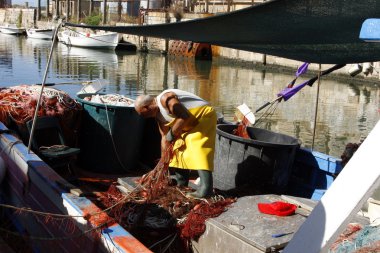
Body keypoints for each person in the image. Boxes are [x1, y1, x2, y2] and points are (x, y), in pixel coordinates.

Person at [134, 89, 217, 198]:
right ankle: (182, 183)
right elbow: (164, 137)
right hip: (188, 125)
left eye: (142, 114)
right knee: (177, 150)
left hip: (203, 117)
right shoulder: (158, 116)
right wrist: (163, 161)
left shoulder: (166, 99)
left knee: (197, 148)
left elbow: (184, 116)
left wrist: (171, 134)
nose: (143, 117)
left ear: (146, 107)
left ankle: (206, 189)